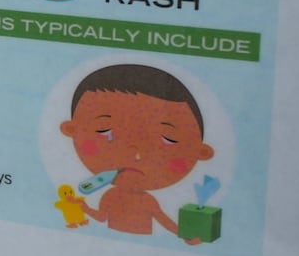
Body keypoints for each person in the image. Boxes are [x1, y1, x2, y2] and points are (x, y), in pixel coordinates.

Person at [58, 64, 214, 242]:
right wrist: (82, 206)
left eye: (168, 139)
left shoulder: (148, 202)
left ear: (201, 152)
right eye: (105, 130)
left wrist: (186, 235)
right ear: (72, 130)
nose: (135, 153)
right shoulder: (109, 196)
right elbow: (101, 217)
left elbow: (165, 222)